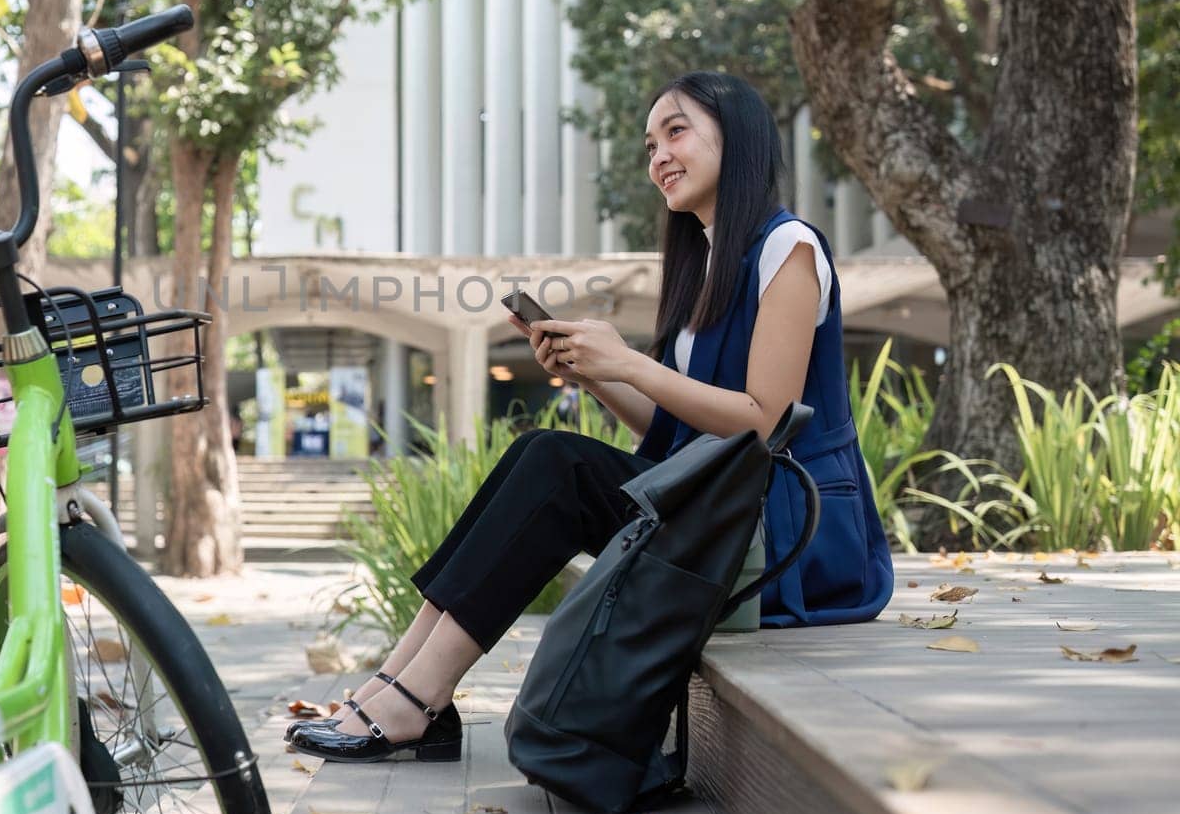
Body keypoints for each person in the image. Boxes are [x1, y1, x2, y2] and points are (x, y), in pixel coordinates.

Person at [288, 71, 894, 763]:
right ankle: (398, 683)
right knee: (541, 453)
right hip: (721, 514)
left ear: (740, 139)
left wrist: (632, 363)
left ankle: (415, 699)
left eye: (676, 131)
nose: (658, 156)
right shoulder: (706, 266)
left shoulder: (790, 249)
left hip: (784, 540)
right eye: (649, 144)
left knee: (557, 465)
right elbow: (678, 436)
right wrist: (594, 373)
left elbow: (762, 425)